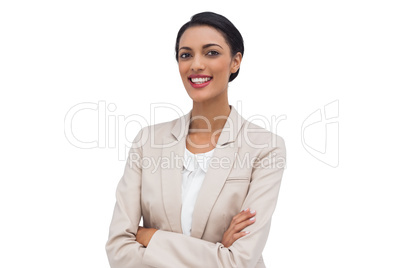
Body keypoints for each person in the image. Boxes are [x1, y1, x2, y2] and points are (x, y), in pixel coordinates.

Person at [106, 11, 286, 268]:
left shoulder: (265, 147)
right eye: (186, 54)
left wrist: (151, 236)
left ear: (235, 62)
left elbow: (238, 262)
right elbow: (118, 250)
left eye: (211, 52)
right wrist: (217, 251)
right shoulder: (147, 142)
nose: (196, 65)